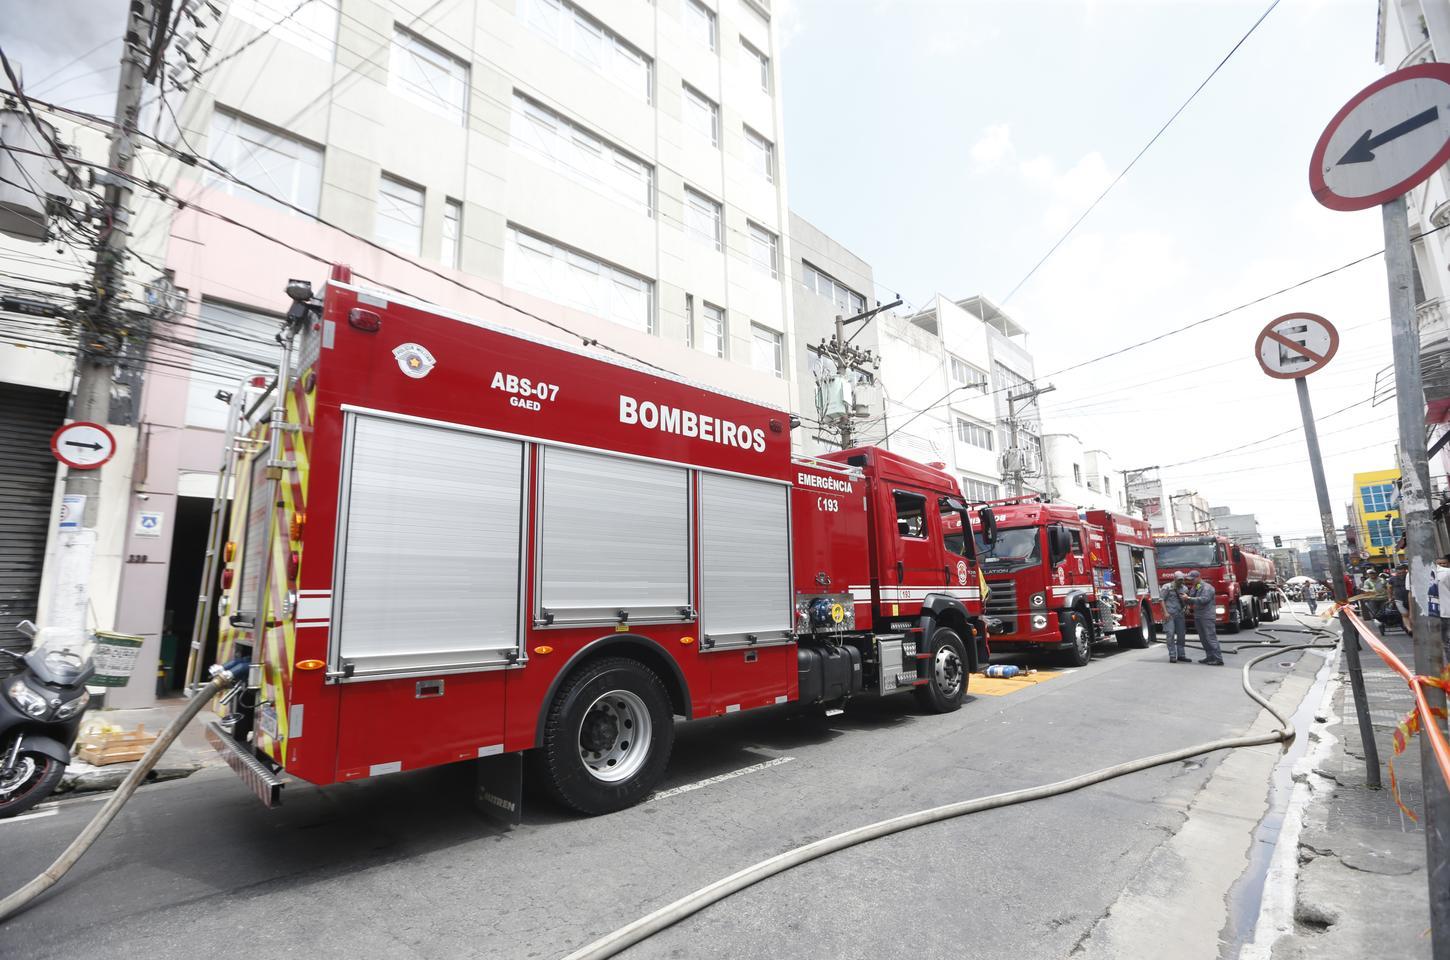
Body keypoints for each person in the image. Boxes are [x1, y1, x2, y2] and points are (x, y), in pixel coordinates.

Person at [1184, 570, 1223, 665]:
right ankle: (1209, 656)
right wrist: (1187, 600)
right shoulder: (1196, 586)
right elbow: (1192, 595)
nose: (1191, 581)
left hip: (1207, 616)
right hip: (1198, 615)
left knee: (1210, 637)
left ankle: (1218, 659)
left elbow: (1204, 600)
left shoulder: (1207, 587)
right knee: (1203, 638)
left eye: (1192, 579)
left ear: (1198, 577)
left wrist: (1189, 599)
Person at [1161, 571, 1189, 663]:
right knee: (1170, 634)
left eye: (1182, 580)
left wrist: (1187, 607)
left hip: (1180, 614)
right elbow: (1161, 600)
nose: (1181, 581)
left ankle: (1181, 655)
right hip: (1170, 614)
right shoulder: (1167, 587)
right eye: (1179, 580)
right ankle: (1172, 655)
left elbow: (1186, 600)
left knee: (1181, 635)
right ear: (1175, 578)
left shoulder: (1184, 588)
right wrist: (1165, 612)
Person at [1390, 563, 1412, 635]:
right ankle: (1409, 629)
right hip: (1399, 599)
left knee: (1412, 614)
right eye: (1399, 573)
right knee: (1405, 614)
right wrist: (1390, 597)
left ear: (1405, 571)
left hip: (1410, 598)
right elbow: (1389, 588)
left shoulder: (1409, 577)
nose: (1401, 574)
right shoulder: (1392, 579)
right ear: (1396, 572)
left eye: (1403, 572)